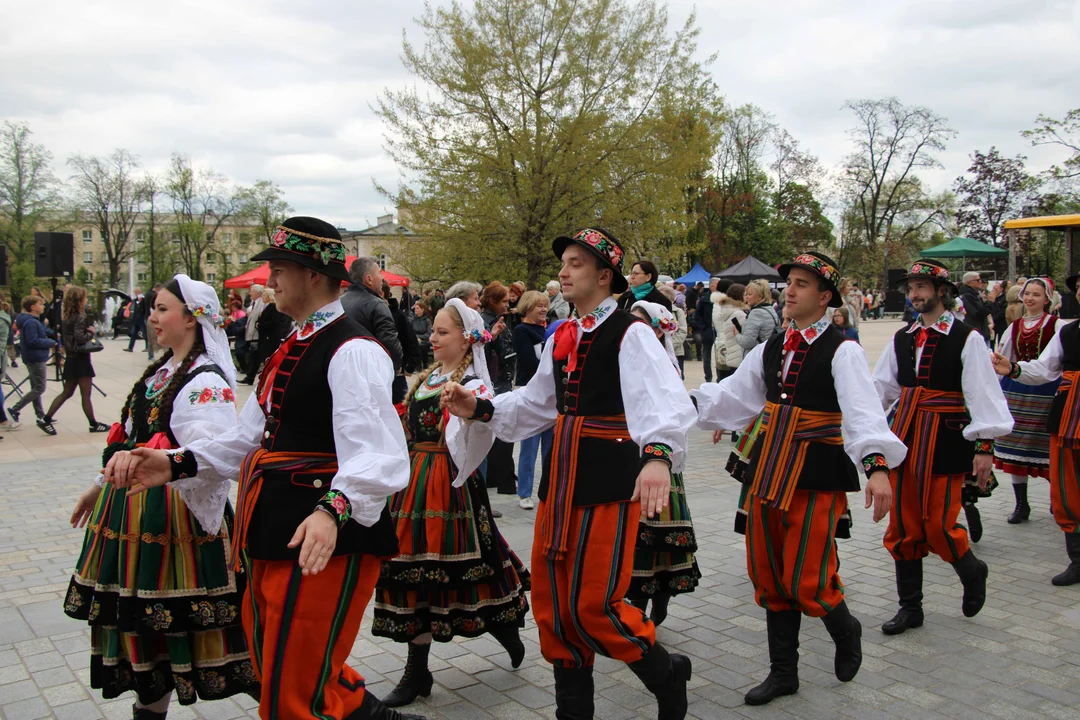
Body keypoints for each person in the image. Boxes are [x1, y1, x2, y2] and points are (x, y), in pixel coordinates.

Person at [100, 216, 424, 720]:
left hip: (324, 542)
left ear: (314, 275)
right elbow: (248, 437)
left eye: (278, 269)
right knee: (281, 667)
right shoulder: (291, 344)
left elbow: (380, 453)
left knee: (291, 693)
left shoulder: (353, 349)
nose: (268, 280)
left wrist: (333, 509)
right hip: (276, 531)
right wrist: (173, 463)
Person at [442, 227, 697, 720]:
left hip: (606, 480)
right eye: (564, 262)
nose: (563, 270)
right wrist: (480, 407)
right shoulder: (563, 334)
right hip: (559, 484)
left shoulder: (631, 332)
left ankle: (666, 671)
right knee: (554, 608)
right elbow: (537, 405)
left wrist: (659, 457)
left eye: (577, 263)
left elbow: (663, 402)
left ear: (605, 276)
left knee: (594, 606)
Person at [692, 251, 904, 706]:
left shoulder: (842, 348)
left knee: (808, 577)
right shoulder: (772, 346)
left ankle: (846, 628)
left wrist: (877, 467)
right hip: (768, 469)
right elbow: (734, 398)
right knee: (768, 573)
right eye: (789, 282)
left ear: (826, 297)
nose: (790, 290)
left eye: (803, 284)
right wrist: (685, 404)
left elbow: (862, 413)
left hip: (817, 471)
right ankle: (783, 672)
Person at [64, 274, 258, 718]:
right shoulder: (164, 370)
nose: (151, 317)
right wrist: (98, 487)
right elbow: (130, 437)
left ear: (192, 320)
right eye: (152, 308)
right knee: (145, 636)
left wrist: (161, 460)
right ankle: (149, 709)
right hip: (133, 515)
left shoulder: (205, 382)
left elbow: (211, 456)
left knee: (186, 630)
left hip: (173, 520)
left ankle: (296, 701)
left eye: (162, 309)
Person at [373, 298, 530, 708]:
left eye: (442, 332)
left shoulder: (473, 385)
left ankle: (505, 625)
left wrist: (466, 414)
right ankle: (417, 670)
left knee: (467, 570)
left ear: (467, 339)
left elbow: (479, 431)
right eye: (434, 331)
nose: (432, 338)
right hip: (411, 484)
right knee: (412, 574)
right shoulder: (424, 378)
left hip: (448, 485)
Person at [873, 259, 1013, 637]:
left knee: (937, 524)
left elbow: (983, 392)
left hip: (945, 438)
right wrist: (862, 428)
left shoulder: (967, 337)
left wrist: (985, 445)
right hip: (905, 436)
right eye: (911, 288)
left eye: (921, 287)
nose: (915, 294)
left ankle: (971, 569)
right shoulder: (902, 338)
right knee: (903, 526)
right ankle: (910, 607)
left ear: (941, 292)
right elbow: (880, 390)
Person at [990, 271, 1080, 586]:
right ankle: (1077, 559)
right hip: (1070, 411)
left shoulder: (1058, 326)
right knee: (1069, 482)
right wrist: (1012, 367)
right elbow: (1044, 367)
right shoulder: (1069, 332)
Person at [626, 300, 701, 627]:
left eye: (641, 324)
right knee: (633, 535)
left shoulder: (665, 367)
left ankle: (660, 600)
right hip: (627, 458)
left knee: (659, 535)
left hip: (658, 461)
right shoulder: (624, 358)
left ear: (657, 330)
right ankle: (635, 605)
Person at [991, 278, 1060, 524]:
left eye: (1036, 295)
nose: (1030, 299)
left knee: (1047, 447)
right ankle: (1022, 505)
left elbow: (1056, 362)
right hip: (1016, 391)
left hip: (1046, 391)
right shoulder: (1015, 326)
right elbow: (1004, 357)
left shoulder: (1057, 325)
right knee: (1015, 447)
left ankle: (1057, 500)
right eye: (1027, 294)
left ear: (1047, 299)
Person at [40, 286, 110, 433]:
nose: (86, 301)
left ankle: (46, 419)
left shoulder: (67, 317)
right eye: (84, 298)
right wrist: (91, 333)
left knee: (67, 392)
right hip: (81, 360)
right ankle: (93, 423)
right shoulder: (79, 317)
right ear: (79, 301)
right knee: (85, 394)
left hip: (71, 359)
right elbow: (80, 338)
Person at [511, 290, 552, 509]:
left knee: (550, 447)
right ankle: (525, 493)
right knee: (529, 445)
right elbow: (528, 362)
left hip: (552, 395)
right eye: (539, 306)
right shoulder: (522, 331)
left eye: (545, 305)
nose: (544, 309)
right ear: (527, 307)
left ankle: (549, 490)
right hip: (532, 393)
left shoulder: (551, 329)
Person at [479, 282, 518, 499]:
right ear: (493, 302)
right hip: (496, 382)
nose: (508, 303)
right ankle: (502, 478)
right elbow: (486, 354)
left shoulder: (497, 320)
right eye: (503, 300)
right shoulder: (487, 322)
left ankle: (498, 476)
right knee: (501, 429)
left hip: (500, 379)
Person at [341, 256, 404, 373]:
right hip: (371, 371)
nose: (383, 277)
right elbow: (389, 341)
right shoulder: (376, 304)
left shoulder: (338, 303)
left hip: (342, 369)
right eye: (379, 273)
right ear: (369, 279)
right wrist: (395, 367)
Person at [8, 295, 58, 435]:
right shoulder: (31, 322)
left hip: (34, 357)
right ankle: (15, 409)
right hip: (35, 358)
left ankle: (40, 414)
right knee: (39, 387)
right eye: (40, 304)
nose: (43, 307)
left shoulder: (32, 321)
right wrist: (51, 342)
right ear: (33, 307)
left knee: (35, 386)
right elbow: (33, 341)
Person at [241, 287, 292, 385]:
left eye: (264, 295)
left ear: (269, 296)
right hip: (264, 336)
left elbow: (273, 322)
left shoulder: (273, 307)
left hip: (270, 337)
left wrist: (260, 325)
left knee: (268, 357)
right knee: (263, 357)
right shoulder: (265, 306)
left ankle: (269, 378)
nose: (263, 297)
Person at [386, 281, 422, 404]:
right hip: (377, 374)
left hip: (396, 373)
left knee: (400, 408)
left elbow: (410, 340)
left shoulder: (397, 315)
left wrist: (409, 366)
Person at [735, 278, 780, 358]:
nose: (746, 297)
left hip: (755, 357)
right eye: (746, 294)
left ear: (760, 296)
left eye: (749, 294)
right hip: (768, 354)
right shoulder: (771, 310)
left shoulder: (756, 313)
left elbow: (748, 342)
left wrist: (737, 335)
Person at [712, 282, 747, 382]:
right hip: (735, 351)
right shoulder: (738, 313)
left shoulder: (720, 308)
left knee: (722, 380)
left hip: (720, 345)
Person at [691, 278, 719, 381]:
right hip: (707, 331)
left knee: (719, 355)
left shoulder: (722, 299)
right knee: (707, 356)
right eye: (717, 285)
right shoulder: (704, 299)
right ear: (711, 286)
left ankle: (719, 377)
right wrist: (703, 329)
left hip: (719, 332)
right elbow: (697, 316)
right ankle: (708, 377)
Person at [659, 284, 688, 379]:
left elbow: (683, 331)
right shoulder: (655, 311)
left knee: (677, 378)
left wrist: (668, 345)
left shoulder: (678, 312)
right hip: (659, 352)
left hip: (676, 352)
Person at [241, 283, 265, 383]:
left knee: (254, 356)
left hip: (256, 334)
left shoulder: (261, 303)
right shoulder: (254, 302)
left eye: (252, 291)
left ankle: (250, 376)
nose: (250, 293)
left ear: (258, 293)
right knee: (252, 356)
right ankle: (249, 376)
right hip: (252, 334)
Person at [959, 271, 992, 343]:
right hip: (976, 334)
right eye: (977, 280)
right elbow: (977, 314)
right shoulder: (967, 295)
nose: (980, 282)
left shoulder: (974, 294)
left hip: (980, 333)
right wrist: (990, 302)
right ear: (968, 282)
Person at [125, 287, 150, 355]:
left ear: (139, 292)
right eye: (135, 292)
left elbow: (145, 309)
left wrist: (145, 317)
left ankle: (147, 347)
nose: (135, 293)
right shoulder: (135, 300)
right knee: (133, 334)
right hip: (136, 320)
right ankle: (130, 348)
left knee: (145, 334)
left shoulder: (144, 299)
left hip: (142, 319)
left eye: (136, 292)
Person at [410, 301, 433, 368]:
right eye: (415, 308)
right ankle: (418, 365)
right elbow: (411, 332)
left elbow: (428, 333)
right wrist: (416, 338)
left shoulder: (427, 321)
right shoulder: (412, 320)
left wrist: (421, 338)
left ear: (422, 309)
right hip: (415, 339)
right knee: (416, 345)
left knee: (423, 346)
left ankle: (424, 363)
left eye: (417, 308)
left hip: (424, 340)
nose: (415, 310)